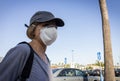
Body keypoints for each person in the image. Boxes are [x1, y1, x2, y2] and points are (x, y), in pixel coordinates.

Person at [0, 11, 64, 81]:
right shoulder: (22, 51)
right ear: (33, 29)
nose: (52, 30)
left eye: (55, 27)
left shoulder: (47, 59)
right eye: (46, 25)